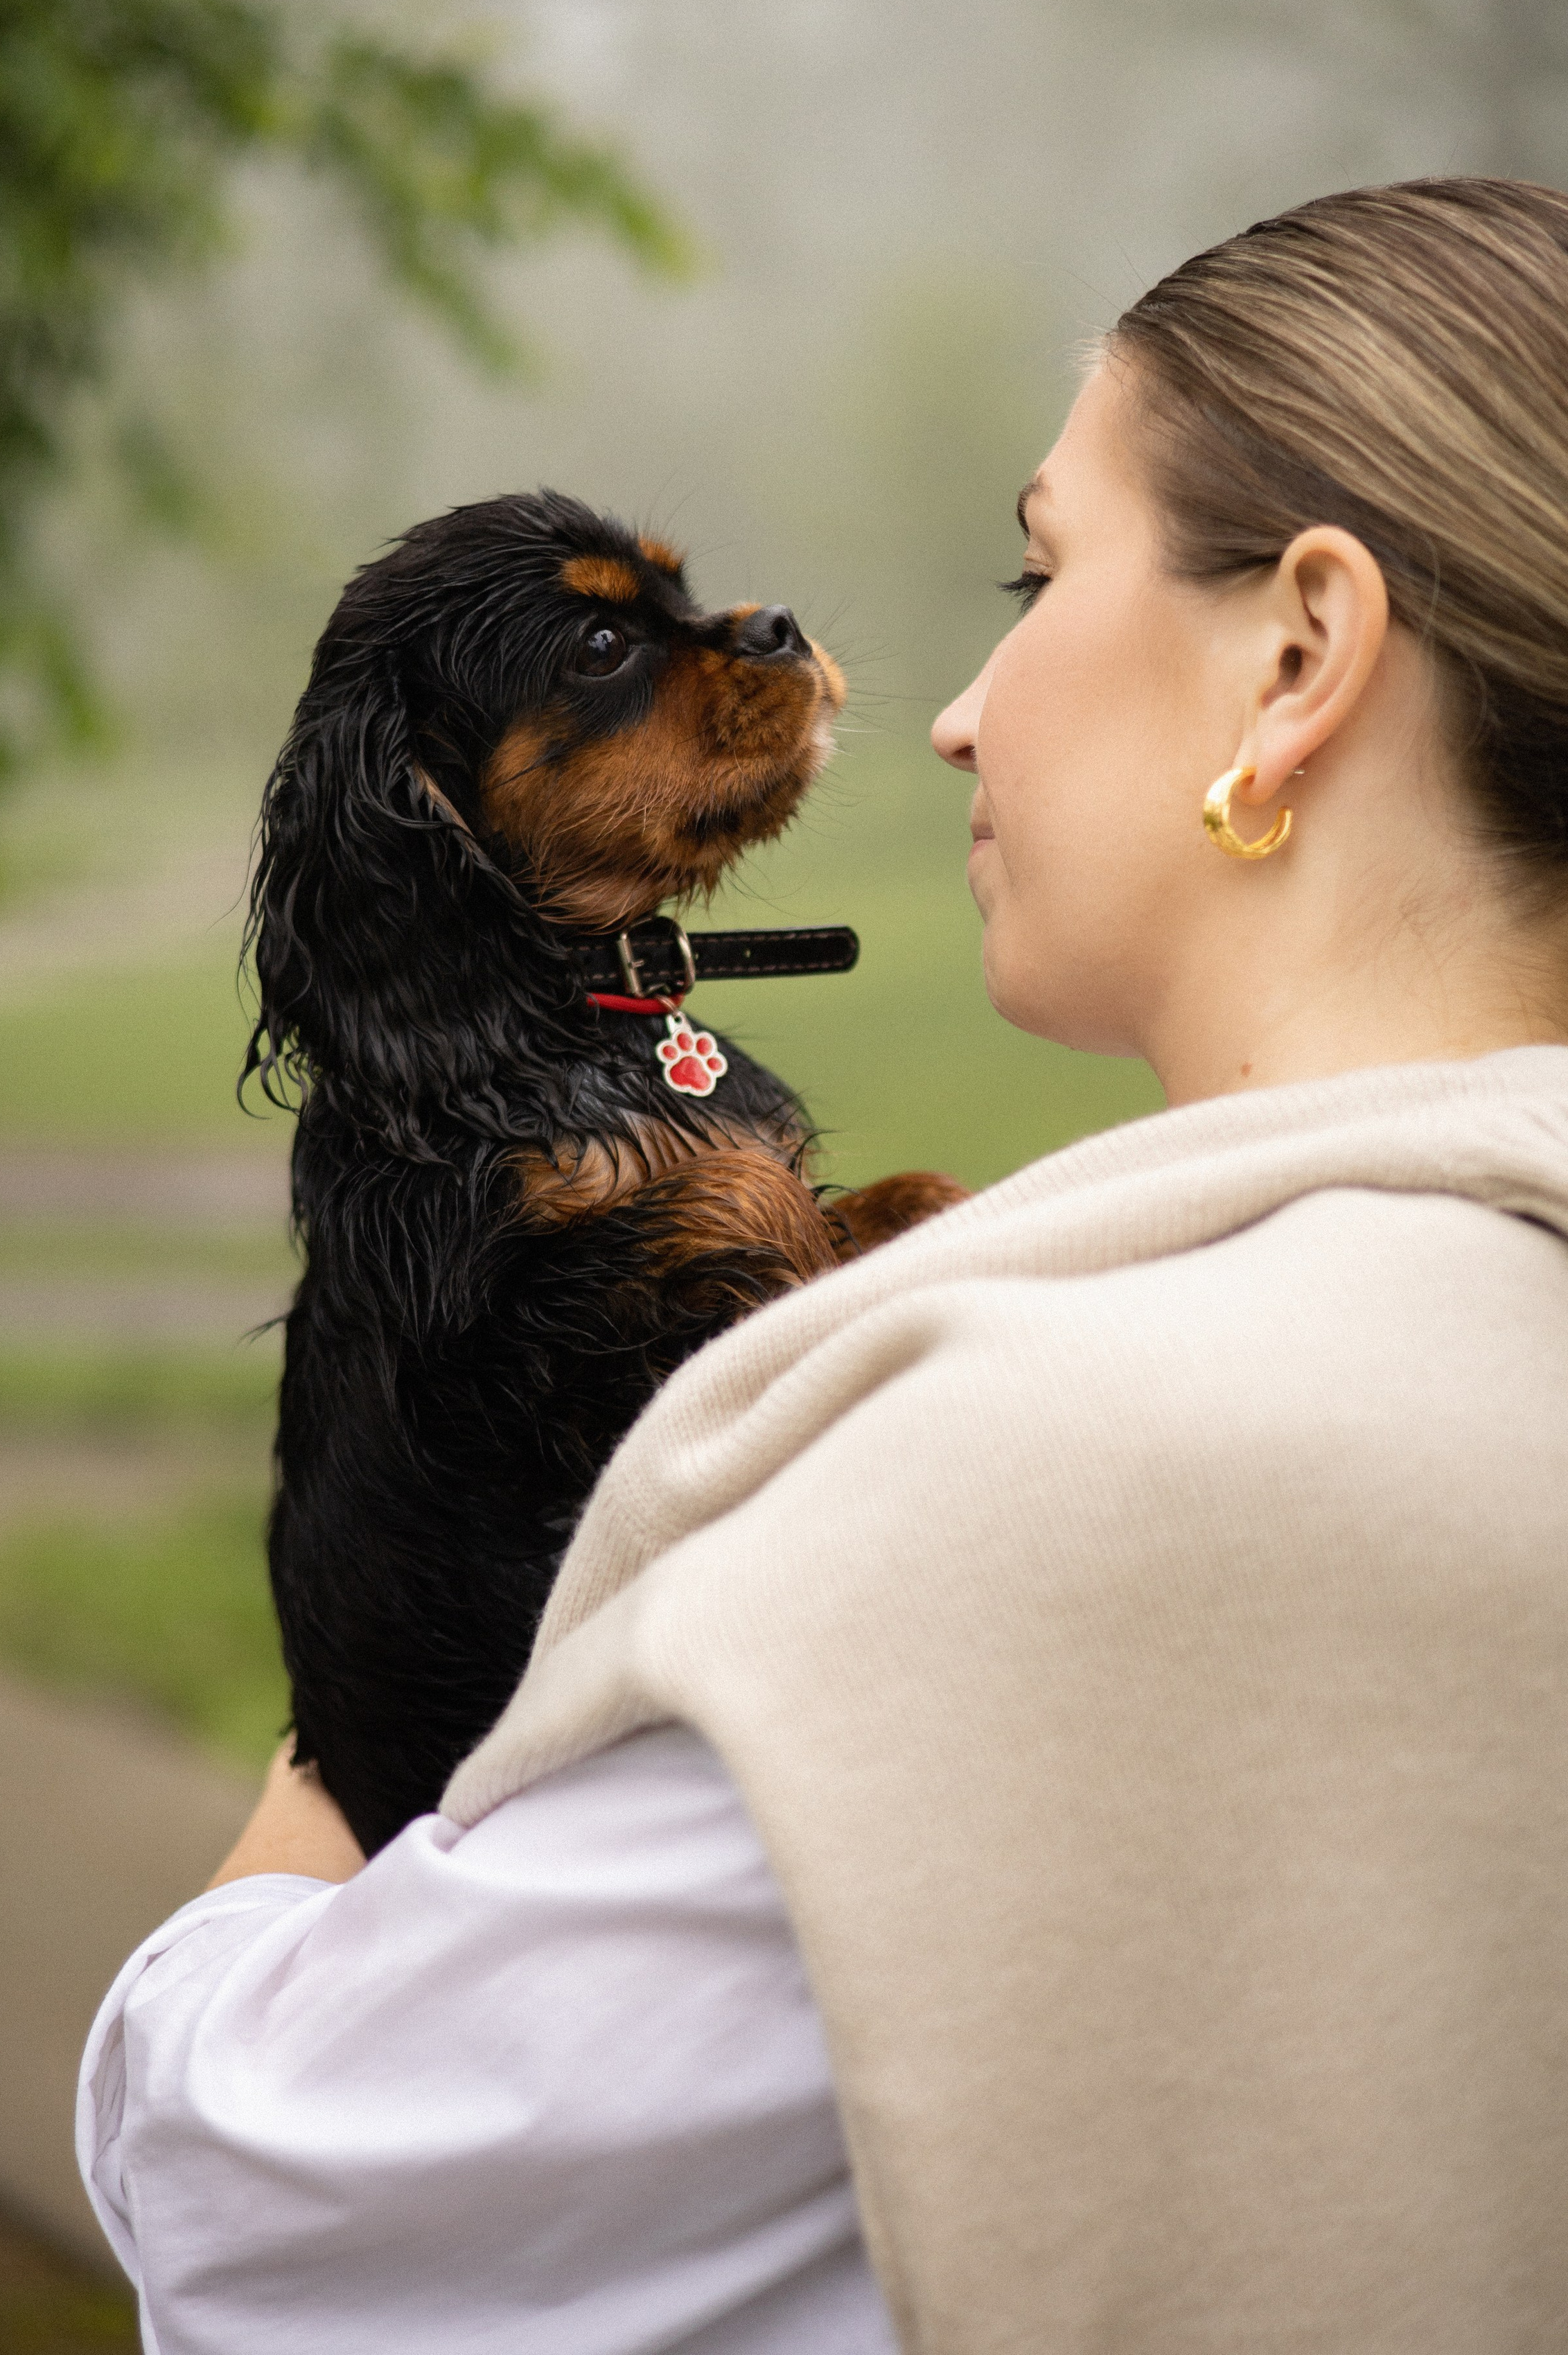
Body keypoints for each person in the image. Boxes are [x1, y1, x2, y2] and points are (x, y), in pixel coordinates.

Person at [78, 177, 1568, 2354]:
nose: (959, 709)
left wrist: (325, 1781)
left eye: (1037, 572)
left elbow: (252, 2209)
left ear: (1301, 655)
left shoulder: (1028, 1462)